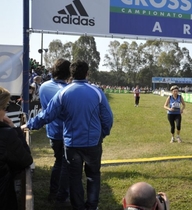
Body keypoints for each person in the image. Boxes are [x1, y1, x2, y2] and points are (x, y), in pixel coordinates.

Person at [24, 60, 114, 210]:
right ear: (87, 73)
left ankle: (78, 206)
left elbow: (47, 115)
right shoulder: (97, 91)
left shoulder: (63, 93)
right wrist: (102, 134)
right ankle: (92, 206)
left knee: (74, 177)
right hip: (92, 143)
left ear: (71, 74)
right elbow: (108, 118)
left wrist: (29, 125)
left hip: (72, 144)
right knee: (93, 176)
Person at [38, 58, 71, 203]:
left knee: (59, 162)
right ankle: (60, 195)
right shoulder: (67, 90)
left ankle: (54, 192)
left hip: (52, 132)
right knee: (65, 164)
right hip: (67, 132)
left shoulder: (43, 86)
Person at [0, 87, 33, 209]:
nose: (6, 112)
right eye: (5, 108)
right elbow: (26, 160)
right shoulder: (6, 134)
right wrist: (15, 129)